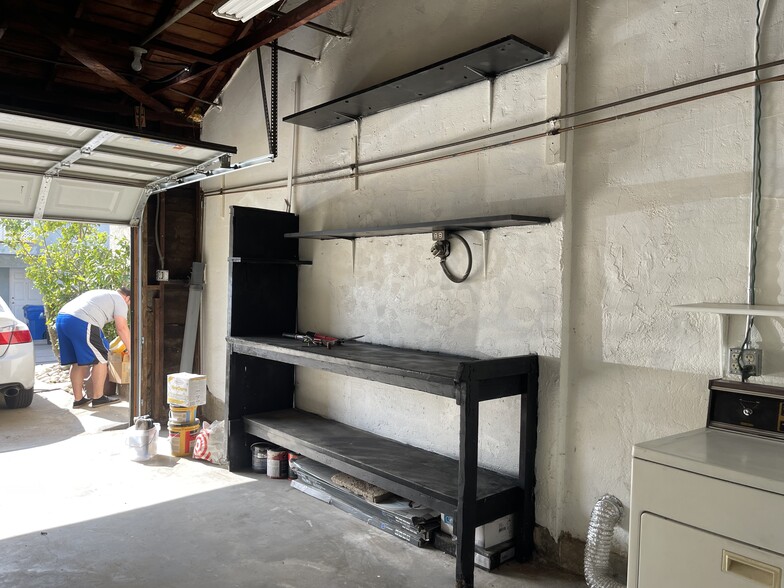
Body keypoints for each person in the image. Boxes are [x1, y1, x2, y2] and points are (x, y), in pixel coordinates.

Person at [56, 287, 132, 409]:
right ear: (127, 298)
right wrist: (131, 348)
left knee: (77, 362)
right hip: (81, 320)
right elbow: (121, 327)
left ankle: (78, 399)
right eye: (129, 303)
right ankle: (98, 398)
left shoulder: (103, 293)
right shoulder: (120, 300)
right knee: (101, 358)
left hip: (62, 319)